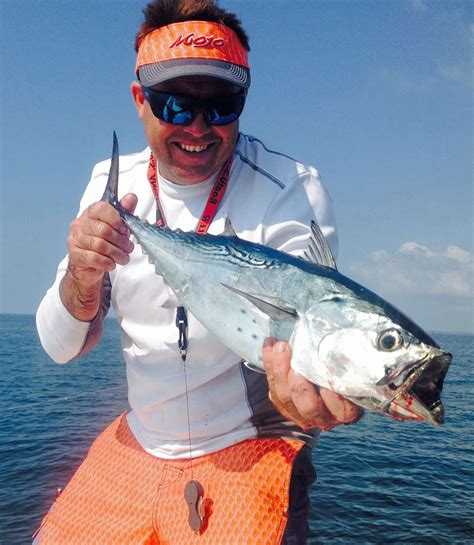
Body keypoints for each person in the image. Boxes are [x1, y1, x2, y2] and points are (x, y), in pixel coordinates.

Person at [35, 1, 361, 543]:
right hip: (138, 440)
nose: (200, 127)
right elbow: (60, 346)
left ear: (245, 100)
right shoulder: (109, 184)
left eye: (223, 104)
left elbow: (301, 349)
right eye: (176, 105)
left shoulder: (291, 190)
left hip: (251, 445)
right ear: (140, 99)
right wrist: (81, 277)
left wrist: (299, 397)